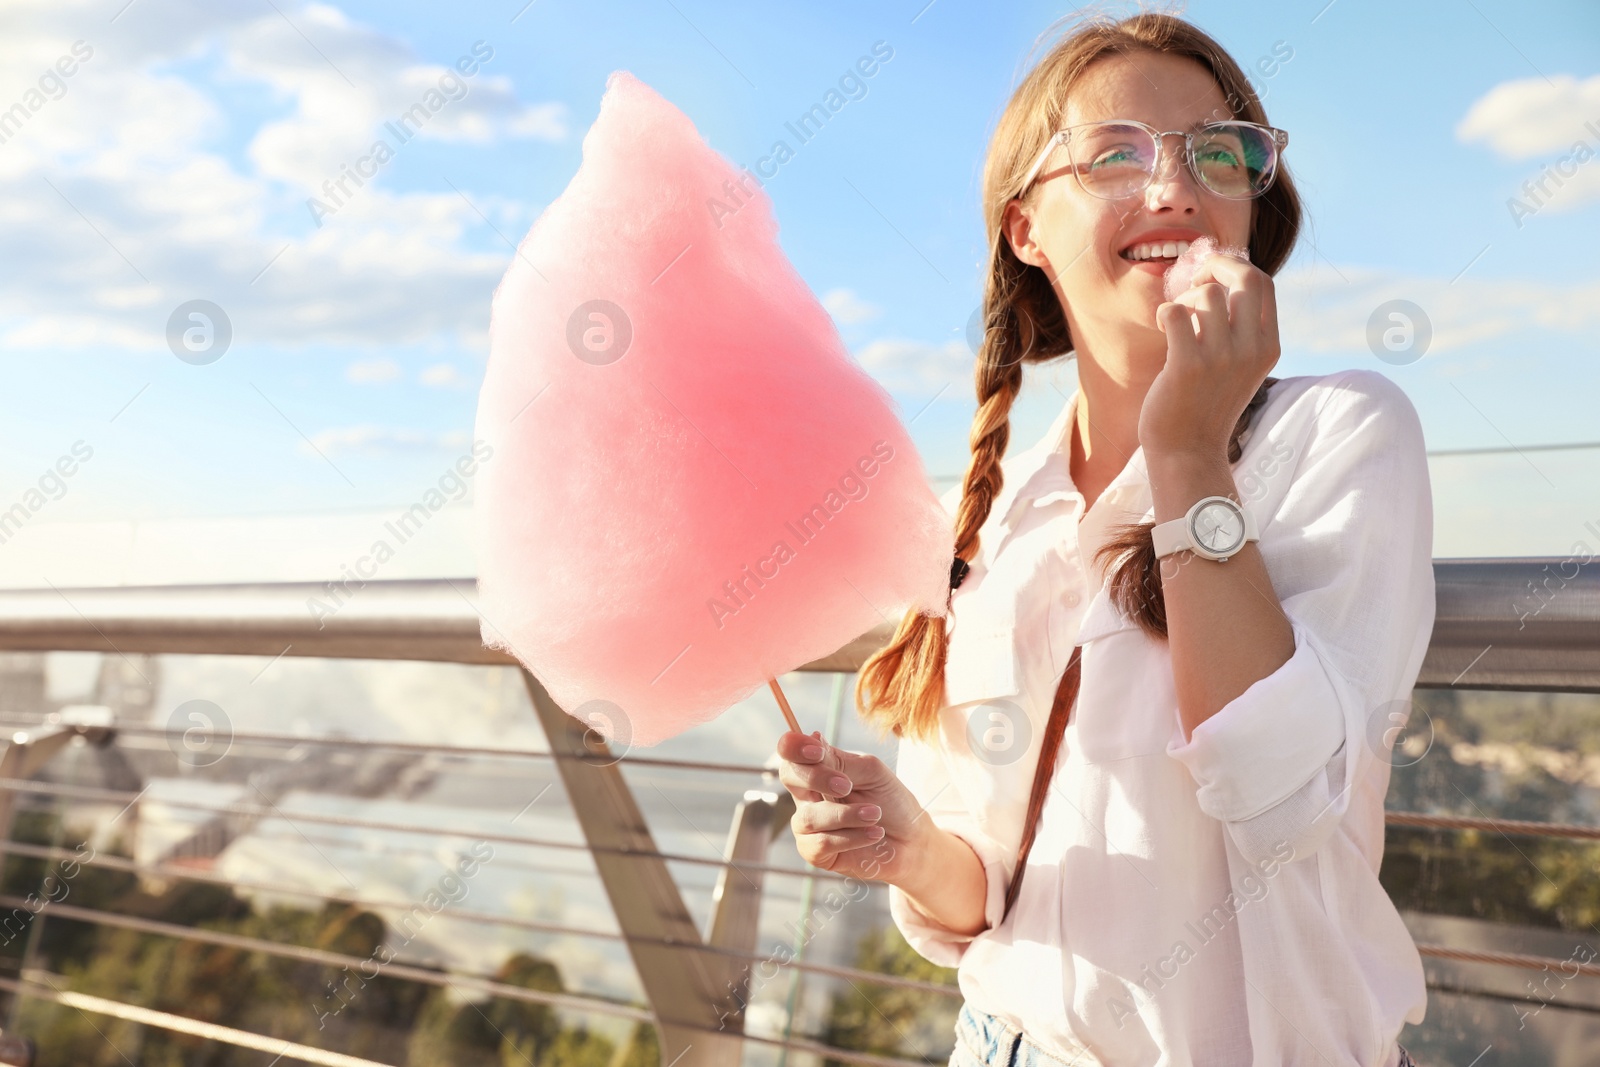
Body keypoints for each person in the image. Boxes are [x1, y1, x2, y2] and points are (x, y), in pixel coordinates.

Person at [773, 10, 1435, 1067]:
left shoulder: (1343, 431)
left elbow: (1282, 801)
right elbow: (989, 882)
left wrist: (1184, 451)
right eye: (1114, 153)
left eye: (1217, 151)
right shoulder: (986, 516)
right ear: (1025, 228)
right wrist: (906, 847)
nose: (1174, 185)